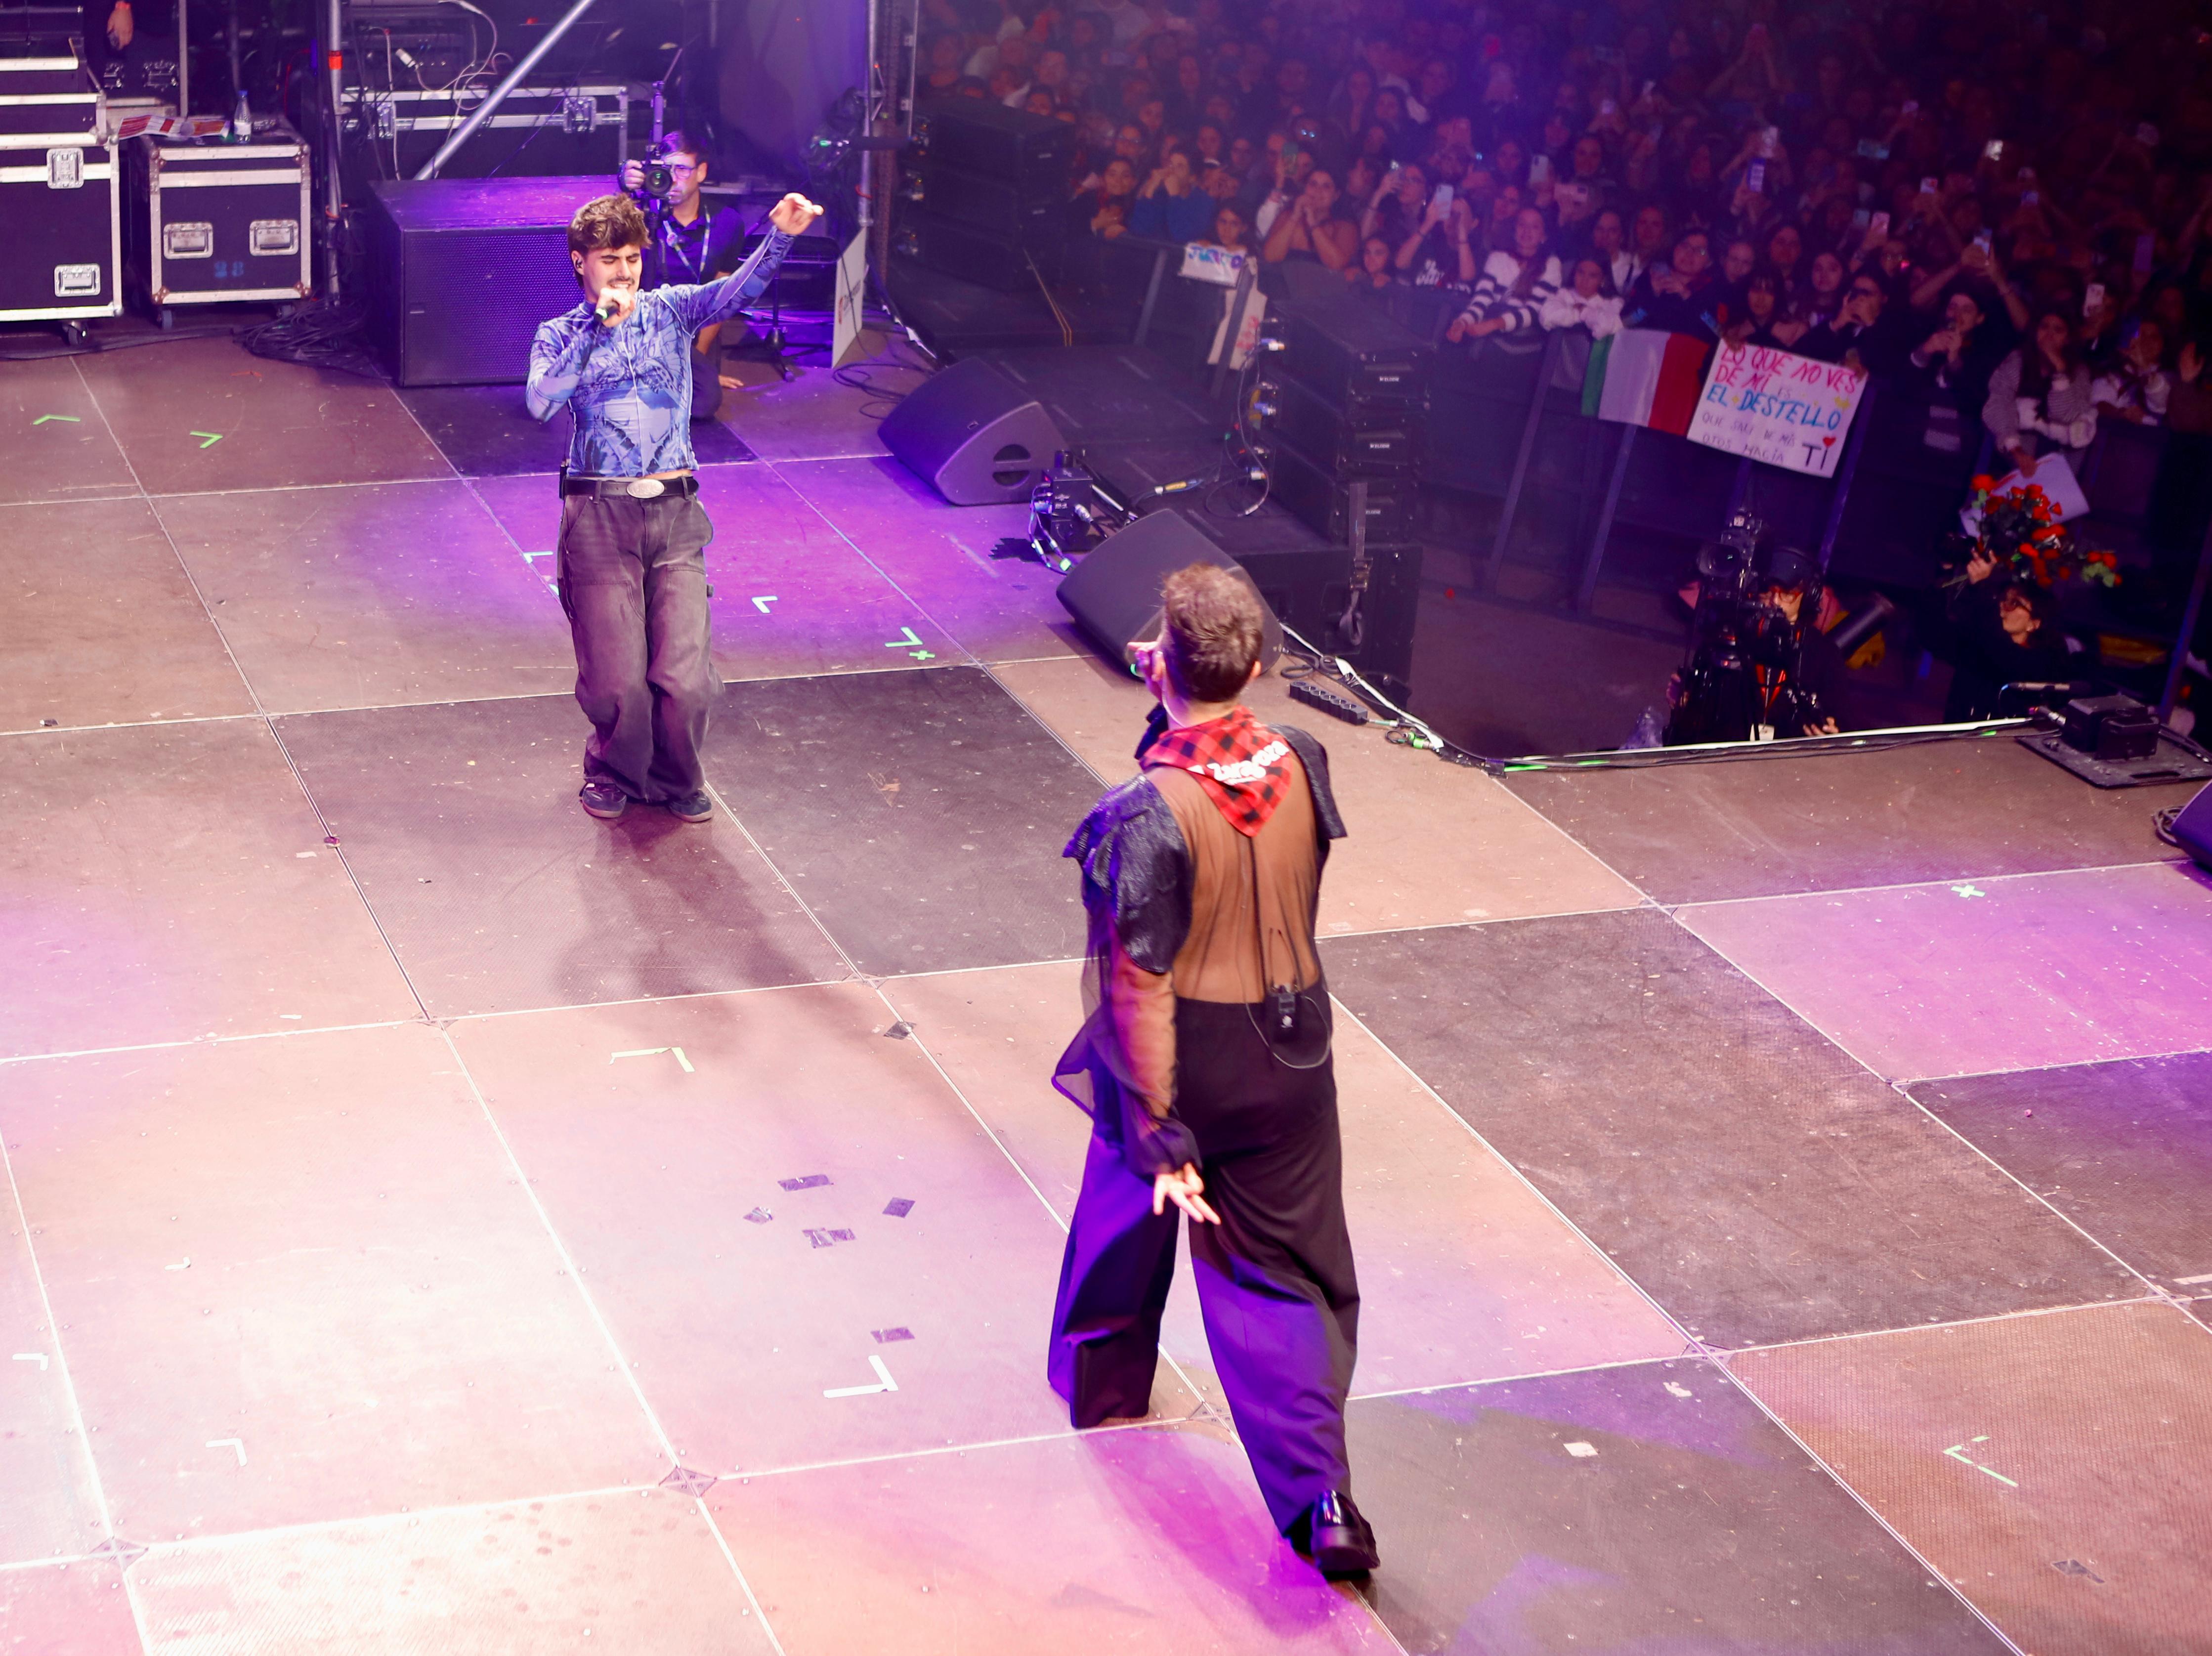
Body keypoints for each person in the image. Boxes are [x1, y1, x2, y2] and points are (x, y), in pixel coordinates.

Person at [1048, 563, 1376, 1578]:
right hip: (1296, 1050)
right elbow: (1262, 832)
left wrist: (1158, 1126)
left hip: (1193, 1054)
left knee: (1126, 1194)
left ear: (1161, 665)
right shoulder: (1304, 756)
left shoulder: (1141, 813)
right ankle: (1324, 1500)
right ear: (1261, 663)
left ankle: (1104, 1384)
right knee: (1286, 1274)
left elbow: (1137, 981)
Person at [525, 190, 821, 823]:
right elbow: (541, 403)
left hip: (675, 515)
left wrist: (782, 237)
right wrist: (597, 326)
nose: (625, 272)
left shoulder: (671, 311)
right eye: (610, 260)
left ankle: (677, 777)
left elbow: (736, 293)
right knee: (616, 679)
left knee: (686, 679)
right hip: (600, 518)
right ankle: (613, 771)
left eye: (632, 258)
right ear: (581, 262)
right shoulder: (560, 333)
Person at [618, 133, 748, 421]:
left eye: (683, 170)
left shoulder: (727, 223)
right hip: (639, 327)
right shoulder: (639, 217)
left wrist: (694, 362)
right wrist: (625, 187)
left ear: (701, 172)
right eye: (666, 170)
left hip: (689, 333)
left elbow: (721, 298)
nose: (673, 179)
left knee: (704, 403)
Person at [1945, 557, 2075, 721]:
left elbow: (2004, 653)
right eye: (2003, 600)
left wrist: (1981, 586)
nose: (2002, 606)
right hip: (1958, 732)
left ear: (2033, 624)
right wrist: (1946, 570)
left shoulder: (2042, 661)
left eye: (2014, 603)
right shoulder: (1979, 643)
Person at [1985, 306, 2097, 478]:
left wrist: (2060, 370)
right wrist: (2015, 447)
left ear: (2068, 339)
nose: (2049, 335)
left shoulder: (2079, 372)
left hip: (2060, 458)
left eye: (2058, 330)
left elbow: (2066, 415)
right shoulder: (2018, 361)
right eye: (2044, 327)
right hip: (2016, 449)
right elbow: (1999, 402)